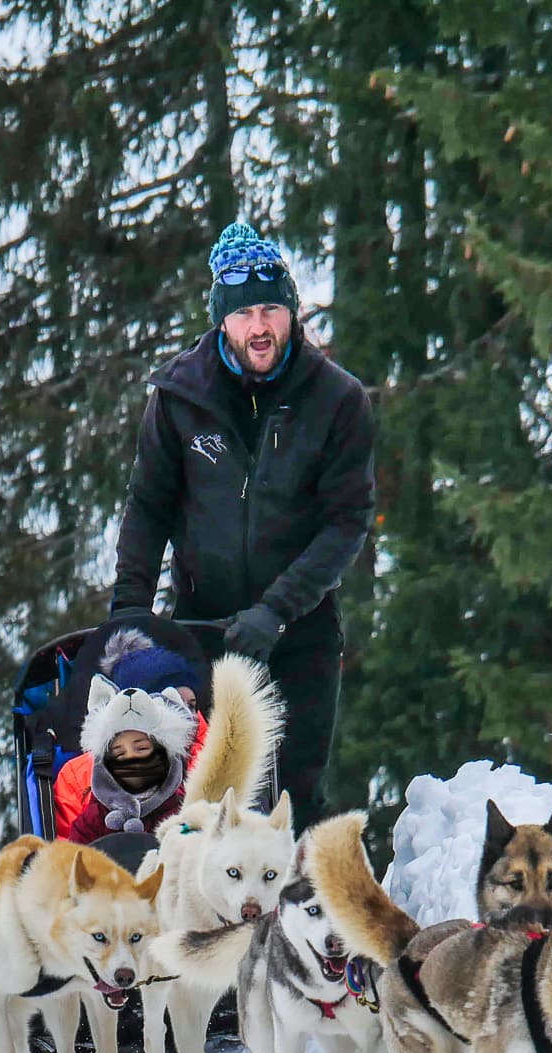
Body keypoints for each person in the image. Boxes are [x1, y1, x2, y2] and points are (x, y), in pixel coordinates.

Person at [108, 220, 376, 830]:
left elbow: (346, 521)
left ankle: (290, 920)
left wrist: (277, 609)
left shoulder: (337, 401)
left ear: (292, 312)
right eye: (246, 312)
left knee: (293, 801)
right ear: (222, 319)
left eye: (273, 309)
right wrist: (128, 614)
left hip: (298, 632)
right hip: (200, 626)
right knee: (199, 800)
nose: (261, 327)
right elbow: (147, 508)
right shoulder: (179, 397)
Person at [52, 628, 210, 843]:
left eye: (190, 705)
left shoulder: (216, 757)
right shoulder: (80, 775)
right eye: (172, 705)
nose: (185, 715)